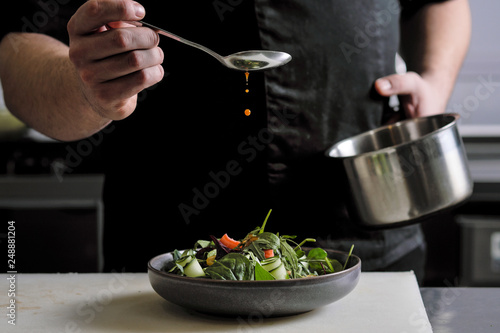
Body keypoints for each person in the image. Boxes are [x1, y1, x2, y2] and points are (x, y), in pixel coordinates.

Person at [0, 0, 471, 282]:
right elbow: (19, 49)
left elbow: (438, 2)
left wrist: (434, 77)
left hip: (366, 246)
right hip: (171, 264)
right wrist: (86, 90)